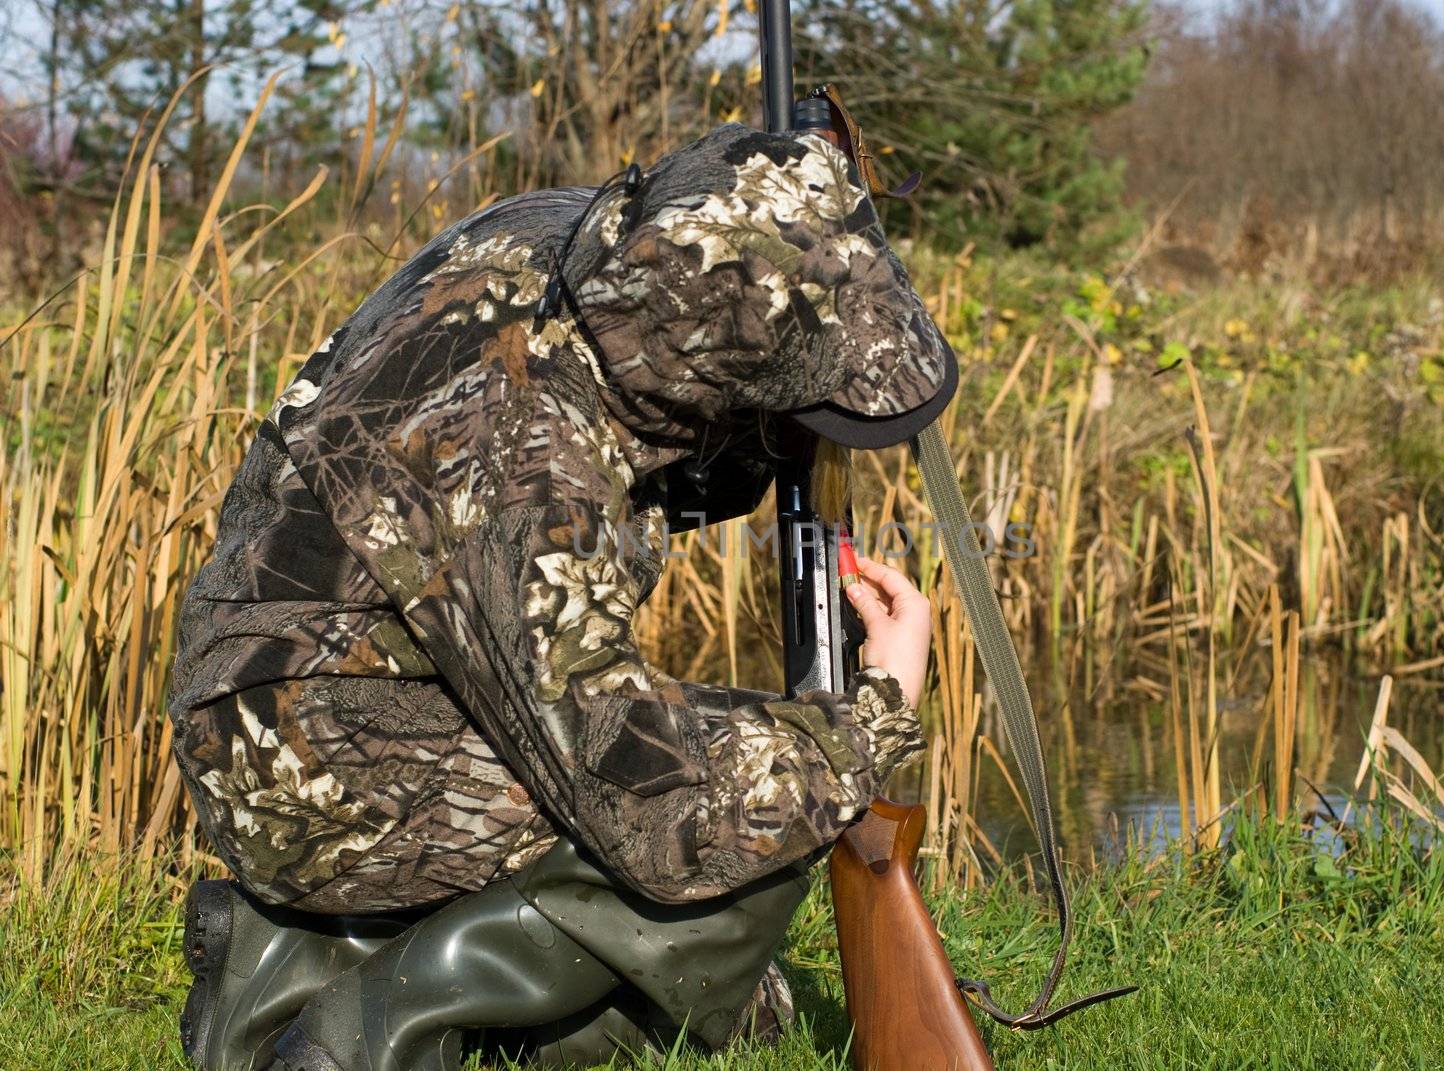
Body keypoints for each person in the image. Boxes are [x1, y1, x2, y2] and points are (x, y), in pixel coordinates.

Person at [167, 121, 958, 1071]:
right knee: (735, 800)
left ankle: (283, 961)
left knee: (733, 836)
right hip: (298, 748)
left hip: (312, 674)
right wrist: (873, 715)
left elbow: (654, 422)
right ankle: (371, 1027)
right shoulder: (521, 449)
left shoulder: (572, 249)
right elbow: (636, 790)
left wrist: (769, 438)